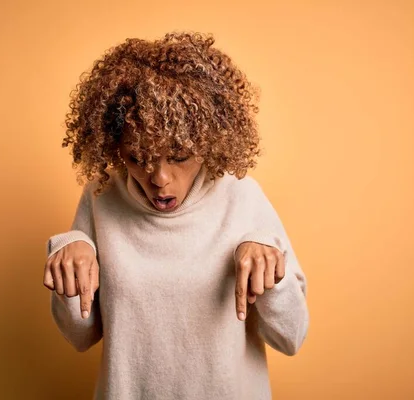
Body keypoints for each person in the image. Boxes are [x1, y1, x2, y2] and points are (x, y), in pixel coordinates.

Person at [43, 31, 309, 400]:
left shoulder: (242, 197)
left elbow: (291, 337)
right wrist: (70, 259)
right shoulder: (101, 199)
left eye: (179, 156)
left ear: (209, 140)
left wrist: (273, 275)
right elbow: (80, 336)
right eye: (137, 158)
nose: (159, 178)